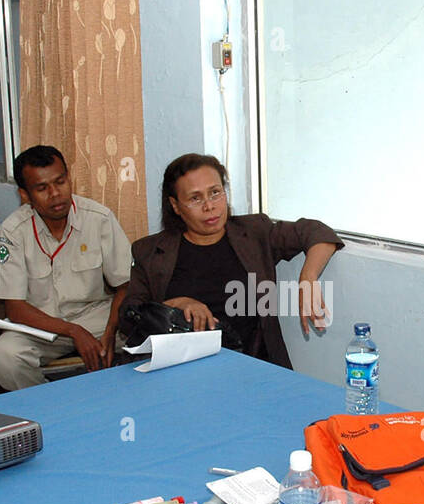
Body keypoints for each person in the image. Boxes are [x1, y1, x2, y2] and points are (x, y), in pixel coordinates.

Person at [122, 153, 342, 369]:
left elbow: (317, 232)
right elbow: (129, 317)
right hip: (181, 371)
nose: (209, 206)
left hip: (253, 365)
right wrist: (174, 304)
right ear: (176, 206)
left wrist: (308, 277)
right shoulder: (150, 252)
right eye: (195, 198)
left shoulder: (255, 233)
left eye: (215, 193)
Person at [0, 145, 131, 388]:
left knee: (147, 334)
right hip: (40, 326)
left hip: (96, 317)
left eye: (60, 181)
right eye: (42, 188)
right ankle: (45, 409)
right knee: (5, 356)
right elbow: (15, 308)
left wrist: (110, 330)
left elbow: (126, 285)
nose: (55, 194)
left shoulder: (99, 218)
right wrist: (73, 331)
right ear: (24, 195)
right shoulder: (13, 231)